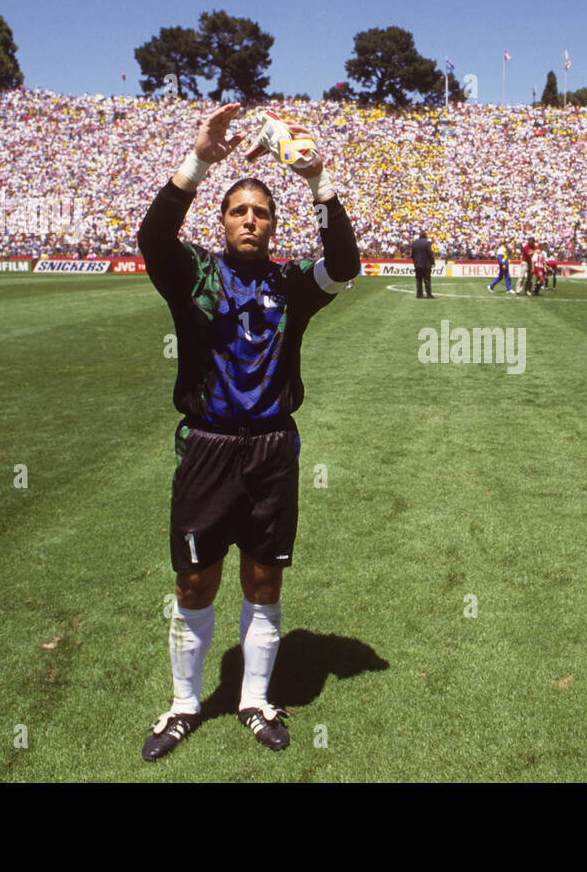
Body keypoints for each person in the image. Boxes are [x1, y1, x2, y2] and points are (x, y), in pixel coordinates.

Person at [136, 103, 360, 761]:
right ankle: (183, 705)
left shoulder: (291, 285)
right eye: (240, 211)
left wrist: (319, 179)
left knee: (264, 580)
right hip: (206, 448)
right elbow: (153, 238)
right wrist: (201, 160)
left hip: (269, 450)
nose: (251, 220)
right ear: (223, 220)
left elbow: (343, 265)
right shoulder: (194, 275)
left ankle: (255, 700)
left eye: (261, 213)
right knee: (195, 582)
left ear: (272, 225)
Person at [411, 228, 434, 299]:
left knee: (418, 280)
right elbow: (430, 253)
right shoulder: (427, 243)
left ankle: (419, 295)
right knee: (427, 280)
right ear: (425, 236)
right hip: (426, 264)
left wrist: (415, 262)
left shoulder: (414, 243)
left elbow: (412, 255)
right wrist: (432, 262)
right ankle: (428, 295)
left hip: (417, 264)